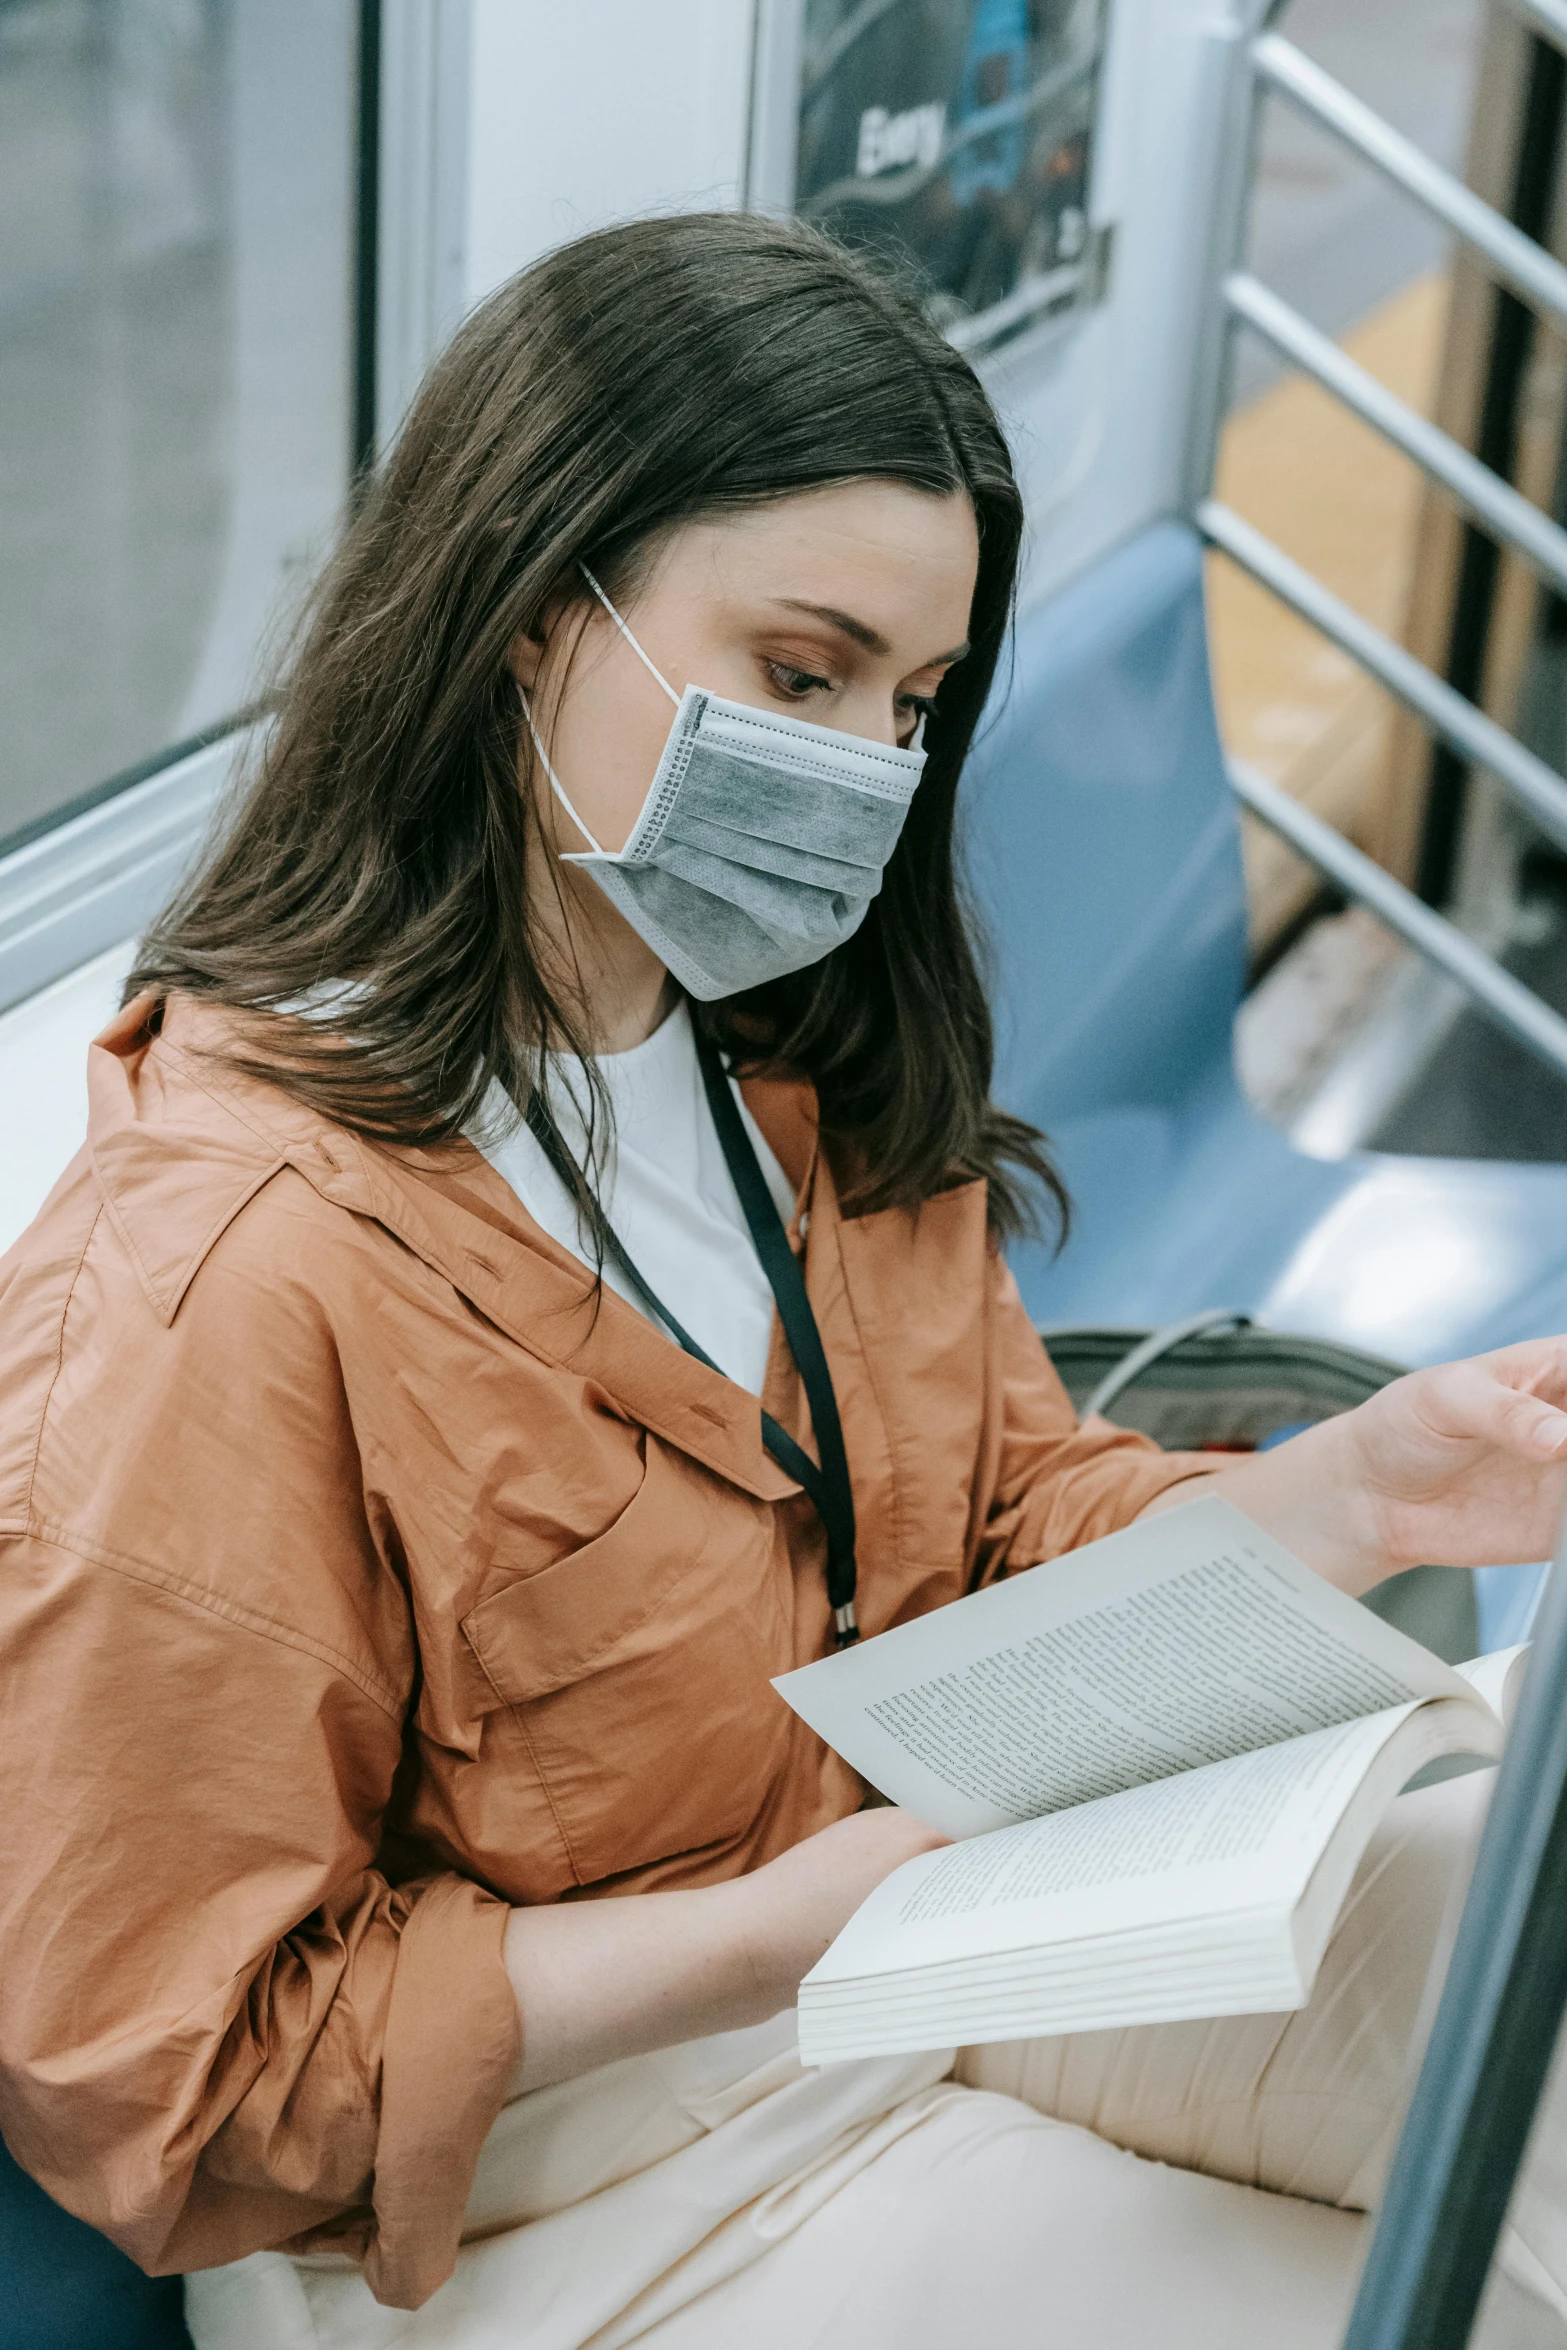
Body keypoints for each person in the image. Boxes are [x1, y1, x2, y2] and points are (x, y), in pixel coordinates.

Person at [2, 211, 1566, 2350]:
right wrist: (778, 1930)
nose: (865, 771)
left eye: (912, 701)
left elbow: (1004, 1512)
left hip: (950, 1941)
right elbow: (172, 2083)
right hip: (591, 2181)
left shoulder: (797, 1051)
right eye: (800, 674)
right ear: (535, 618)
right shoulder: (226, 1268)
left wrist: (1364, 1493)